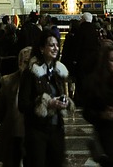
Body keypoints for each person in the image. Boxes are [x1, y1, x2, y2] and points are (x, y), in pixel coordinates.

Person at [18, 29, 69, 167]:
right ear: (41, 48)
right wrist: (45, 103)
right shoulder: (31, 73)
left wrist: (64, 102)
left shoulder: (58, 72)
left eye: (57, 45)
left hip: (56, 129)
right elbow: (22, 104)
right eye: (51, 45)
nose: (55, 48)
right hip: (37, 132)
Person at [0, 45, 32, 167]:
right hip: (12, 135)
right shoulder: (9, 82)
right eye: (25, 62)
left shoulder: (40, 81)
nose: (28, 67)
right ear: (20, 63)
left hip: (32, 137)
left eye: (32, 63)